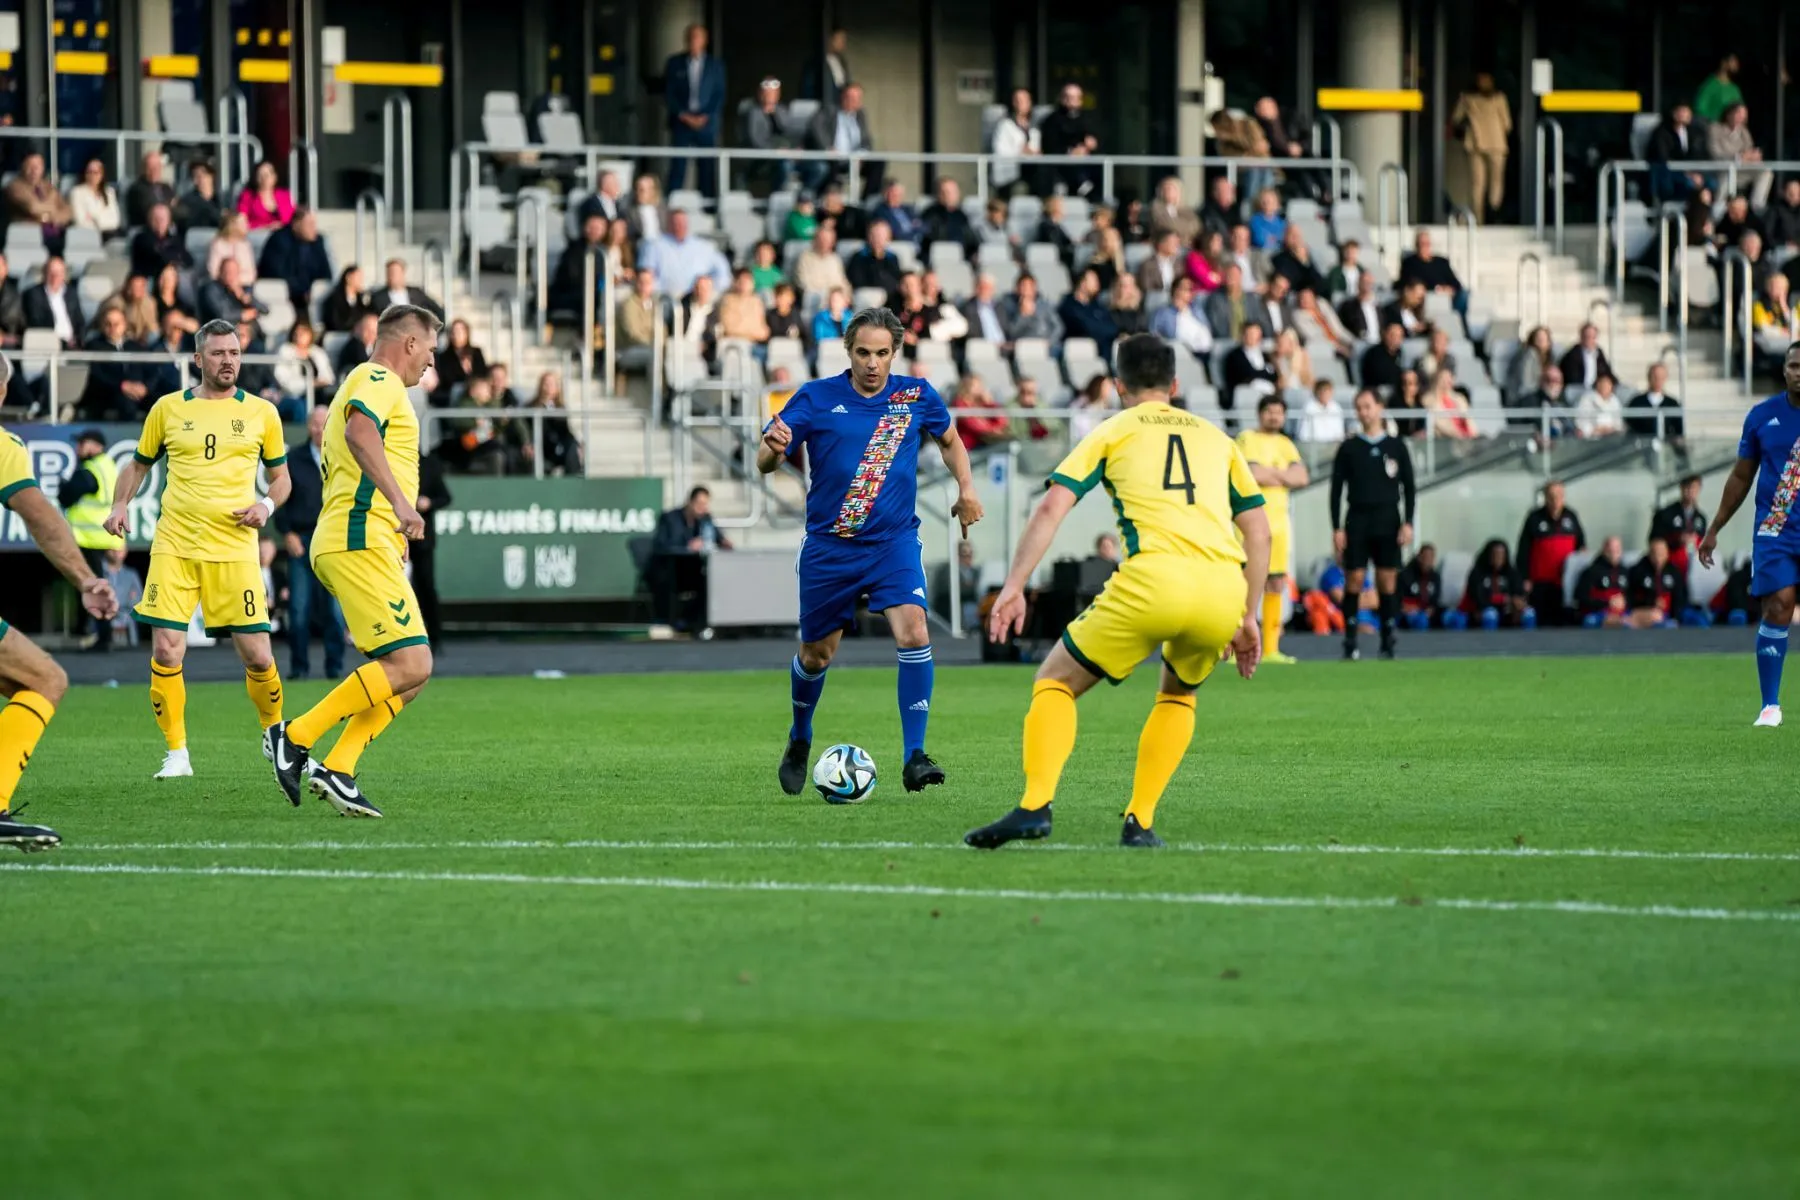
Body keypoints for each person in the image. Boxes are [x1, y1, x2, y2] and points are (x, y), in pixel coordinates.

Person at [965, 334, 1269, 850]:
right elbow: (1259, 531)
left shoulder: (1114, 429)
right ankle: (1140, 822)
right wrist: (1250, 617)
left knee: (1055, 682)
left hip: (1154, 580)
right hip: (1222, 588)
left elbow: (1051, 508)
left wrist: (1014, 586)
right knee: (1178, 694)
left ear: (1117, 386)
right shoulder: (1219, 439)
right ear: (1175, 384)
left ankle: (1035, 806)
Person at [757, 307, 982, 796]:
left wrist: (966, 488)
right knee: (817, 656)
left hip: (893, 542)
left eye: (882, 353)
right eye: (863, 352)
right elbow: (765, 461)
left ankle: (914, 756)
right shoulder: (817, 397)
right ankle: (800, 736)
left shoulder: (915, 395)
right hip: (830, 549)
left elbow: (950, 440)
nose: (873, 363)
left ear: (895, 352)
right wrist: (774, 449)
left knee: (914, 628)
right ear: (848, 351)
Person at [269, 305, 442, 815]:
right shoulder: (377, 377)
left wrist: (394, 519)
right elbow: (359, 435)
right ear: (408, 342)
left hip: (363, 536)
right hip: (356, 537)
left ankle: (338, 767)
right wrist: (402, 504)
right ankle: (295, 737)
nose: (431, 362)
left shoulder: (361, 382)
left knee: (412, 675)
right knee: (412, 662)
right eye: (430, 349)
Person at [101, 320, 293, 780]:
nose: (228, 361)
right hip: (176, 545)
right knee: (167, 650)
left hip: (235, 549)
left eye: (234, 353)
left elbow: (282, 478)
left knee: (260, 657)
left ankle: (276, 738)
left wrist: (266, 505)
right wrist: (119, 502)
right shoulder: (167, 409)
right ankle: (177, 753)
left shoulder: (263, 413)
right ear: (198, 359)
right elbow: (138, 464)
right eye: (219, 353)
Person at [0, 357, 120, 849]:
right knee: (47, 678)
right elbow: (41, 516)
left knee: (27, 679)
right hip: (87, 552)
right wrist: (86, 580)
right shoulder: (5, 446)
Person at [1696, 342, 1800, 727]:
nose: (1799, 372)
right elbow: (1741, 476)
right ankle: (1770, 705)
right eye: (1793, 365)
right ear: (1784, 370)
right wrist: (1715, 527)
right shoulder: (1762, 417)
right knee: (1778, 605)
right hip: (1775, 529)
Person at [1329, 388, 1416, 660]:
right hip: (1358, 518)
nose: (1363, 412)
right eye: (1359, 407)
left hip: (1388, 518)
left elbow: (1410, 487)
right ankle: (1350, 639)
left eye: (1368, 406)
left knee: (1386, 580)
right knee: (1354, 578)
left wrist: (1408, 522)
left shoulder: (1396, 446)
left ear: (1379, 407)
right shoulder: (1349, 447)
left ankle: (1388, 638)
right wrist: (1337, 528)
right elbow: (1336, 490)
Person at [273, 404, 346, 681]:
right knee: (298, 609)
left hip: (333, 541)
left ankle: (335, 667)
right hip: (301, 540)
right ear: (308, 426)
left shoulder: (344, 456)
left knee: (335, 611)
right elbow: (279, 499)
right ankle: (300, 668)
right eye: (315, 423)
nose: (320, 428)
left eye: (325, 423)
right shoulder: (293, 458)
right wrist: (287, 533)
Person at [1236, 394, 1307, 665]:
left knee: (1276, 581)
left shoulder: (1286, 444)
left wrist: (1270, 474)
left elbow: (1302, 477)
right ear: (1260, 413)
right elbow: (1250, 473)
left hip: (1279, 522)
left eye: (1279, 412)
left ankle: (1271, 649)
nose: (1274, 417)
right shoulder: (1246, 438)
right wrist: (1283, 476)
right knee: (1243, 582)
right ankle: (1234, 644)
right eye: (1269, 412)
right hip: (1250, 520)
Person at [57, 428, 125, 653]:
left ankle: (101, 635)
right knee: (93, 584)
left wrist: (63, 486)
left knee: (93, 587)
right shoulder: (107, 465)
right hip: (99, 536)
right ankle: (88, 631)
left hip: (88, 538)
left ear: (96, 445)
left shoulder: (90, 470)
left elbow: (67, 496)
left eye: (82, 443)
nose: (78, 448)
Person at [663, 24, 725, 196]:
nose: (693, 41)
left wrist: (705, 116)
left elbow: (719, 94)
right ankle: (673, 203)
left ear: (705, 40)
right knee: (678, 166)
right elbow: (669, 94)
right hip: (682, 122)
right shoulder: (674, 63)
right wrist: (684, 115)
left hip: (706, 124)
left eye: (697, 37)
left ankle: (708, 208)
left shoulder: (715, 65)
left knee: (707, 168)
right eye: (690, 37)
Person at [1515, 479, 1586, 624]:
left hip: (1564, 582)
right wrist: (1525, 578)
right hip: (1540, 583)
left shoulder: (1571, 517)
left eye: (1559, 495)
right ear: (1545, 497)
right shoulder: (1534, 518)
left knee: (1563, 621)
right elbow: (1523, 550)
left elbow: (1581, 547)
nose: (1555, 500)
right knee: (1542, 620)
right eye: (1551, 496)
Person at [1450, 73, 1512, 224]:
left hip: (1475, 143)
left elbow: (1456, 118)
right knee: (1494, 182)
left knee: (1478, 184)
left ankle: (1480, 219)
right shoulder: (1499, 99)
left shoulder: (1467, 99)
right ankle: (1493, 213)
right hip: (1495, 143)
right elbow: (1507, 123)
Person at [1651, 474, 1707, 576]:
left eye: (1694, 487)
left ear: (1699, 489)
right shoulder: (1665, 514)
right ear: (1681, 488)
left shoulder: (1701, 518)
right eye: (1687, 487)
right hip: (1669, 568)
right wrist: (1678, 539)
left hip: (1693, 570)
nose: (1691, 491)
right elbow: (1654, 541)